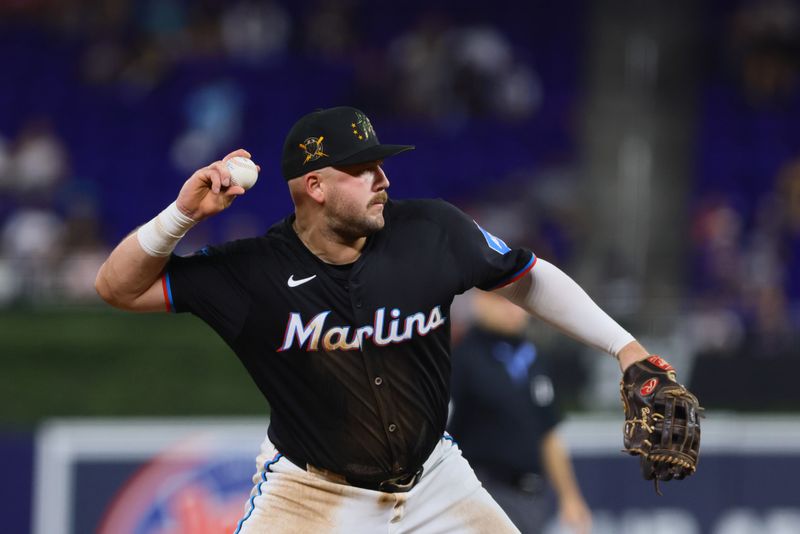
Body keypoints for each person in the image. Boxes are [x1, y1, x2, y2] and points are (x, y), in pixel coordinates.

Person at [95, 106, 690, 533]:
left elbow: (529, 277)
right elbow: (116, 288)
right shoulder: (250, 273)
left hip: (434, 478)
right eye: (362, 169)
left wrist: (625, 347)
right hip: (312, 495)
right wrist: (181, 214)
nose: (383, 179)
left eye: (380, 163)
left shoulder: (431, 230)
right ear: (315, 186)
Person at [448, 290, 591, 534]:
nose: (512, 309)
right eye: (503, 301)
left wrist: (570, 496)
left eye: (519, 302)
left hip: (532, 496)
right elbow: (441, 430)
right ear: (481, 302)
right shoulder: (461, 359)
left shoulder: (535, 359)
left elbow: (548, 433)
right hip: (483, 491)